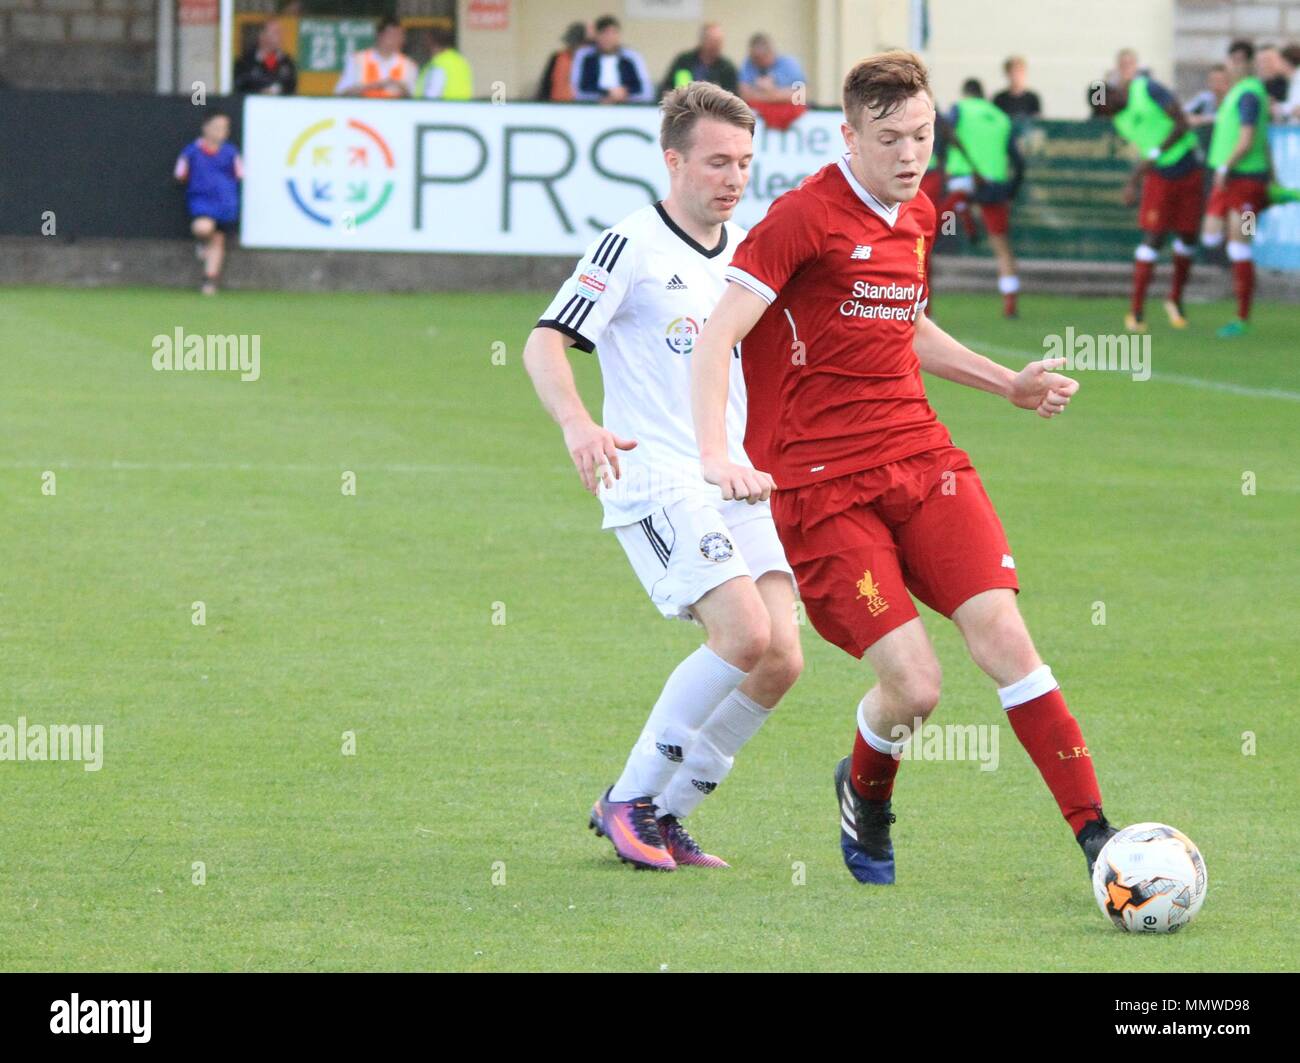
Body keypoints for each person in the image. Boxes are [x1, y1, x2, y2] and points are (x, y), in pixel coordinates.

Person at [690, 50, 1116, 887]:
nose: (911, 154)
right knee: (916, 687)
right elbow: (716, 339)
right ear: (849, 136)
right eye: (890, 139)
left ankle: (1099, 835)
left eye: (922, 134)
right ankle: (866, 785)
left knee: (1005, 637)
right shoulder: (801, 219)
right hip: (819, 490)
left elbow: (908, 326)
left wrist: (1009, 385)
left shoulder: (917, 211)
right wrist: (717, 452)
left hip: (923, 460)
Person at [522, 82, 803, 872]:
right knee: (743, 633)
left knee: (782, 655)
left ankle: (670, 812)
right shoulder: (630, 245)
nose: (733, 177)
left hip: (731, 476)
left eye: (745, 162)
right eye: (717, 161)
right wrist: (579, 424)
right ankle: (630, 796)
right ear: (673, 159)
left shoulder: (748, 254)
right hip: (655, 474)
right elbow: (544, 341)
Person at [1102, 48, 1205, 331]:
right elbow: (1148, 150)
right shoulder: (1118, 119)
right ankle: (1136, 311)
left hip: (1187, 167)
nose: (1109, 111)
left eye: (1108, 103)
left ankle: (1175, 298)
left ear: (1115, 91)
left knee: (1187, 236)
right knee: (1154, 236)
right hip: (1160, 176)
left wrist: (1142, 169)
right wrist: (1136, 180)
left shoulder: (1146, 88)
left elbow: (1181, 123)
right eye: (1105, 111)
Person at [1201, 39, 1272, 337]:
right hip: (1229, 181)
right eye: (1233, 60)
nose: (1235, 65)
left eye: (1241, 60)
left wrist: (1225, 166)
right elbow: (1263, 141)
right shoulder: (1237, 94)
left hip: (1246, 181)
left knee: (1239, 243)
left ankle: (1242, 315)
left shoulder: (1249, 96)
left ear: (1248, 63)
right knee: (1210, 236)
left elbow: (1247, 138)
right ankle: (1244, 286)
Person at [939, 78, 1025, 317]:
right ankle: (1010, 303)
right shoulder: (1001, 117)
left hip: (964, 177)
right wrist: (1011, 191)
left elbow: (946, 132)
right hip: (994, 185)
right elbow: (1018, 161)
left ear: (965, 94)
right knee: (1001, 246)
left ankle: (965, 216)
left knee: (939, 219)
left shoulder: (960, 108)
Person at [174, 112, 242, 297]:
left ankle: (210, 280)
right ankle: (202, 244)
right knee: (204, 228)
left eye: (225, 128)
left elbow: (239, 174)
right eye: (216, 127)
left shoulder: (231, 152)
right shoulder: (192, 151)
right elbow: (180, 174)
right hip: (202, 202)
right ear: (206, 128)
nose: (221, 131)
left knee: (219, 240)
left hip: (225, 204)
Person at [572, 15, 654, 104]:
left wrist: (624, 95)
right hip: (593, 107)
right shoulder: (585, 57)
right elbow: (577, 90)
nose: (609, 38)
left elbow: (646, 92)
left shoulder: (631, 57)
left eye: (613, 33)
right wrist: (606, 94)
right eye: (605, 33)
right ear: (596, 35)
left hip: (628, 107)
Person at [334, 17, 416, 98]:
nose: (396, 40)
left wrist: (403, 89)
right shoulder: (357, 61)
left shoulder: (409, 66)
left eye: (399, 36)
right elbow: (341, 93)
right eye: (391, 35)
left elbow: (416, 99)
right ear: (379, 36)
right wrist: (370, 87)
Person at [661, 22, 738, 96]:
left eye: (719, 42)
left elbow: (733, 95)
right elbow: (667, 87)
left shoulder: (727, 68)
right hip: (682, 105)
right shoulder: (683, 61)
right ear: (702, 40)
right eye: (712, 41)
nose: (716, 46)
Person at [232, 17, 297, 96]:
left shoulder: (287, 62)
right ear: (262, 35)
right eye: (275, 32)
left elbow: (291, 89)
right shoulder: (245, 62)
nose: (280, 37)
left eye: (280, 33)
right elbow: (238, 88)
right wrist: (259, 92)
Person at [738, 32, 805, 103]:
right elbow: (744, 95)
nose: (759, 62)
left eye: (763, 56)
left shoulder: (789, 64)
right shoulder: (749, 64)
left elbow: (801, 95)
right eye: (756, 58)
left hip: (790, 111)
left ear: (771, 52)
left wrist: (771, 92)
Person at [417, 26, 473, 99]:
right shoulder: (459, 61)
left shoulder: (439, 64)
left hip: (441, 109)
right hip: (463, 108)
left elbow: (432, 94)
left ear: (430, 41)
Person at [537, 22, 587, 102]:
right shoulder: (557, 58)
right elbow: (545, 86)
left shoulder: (588, 62)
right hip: (556, 105)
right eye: (571, 43)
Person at [992, 55, 1042, 120]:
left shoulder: (1032, 98)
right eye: (1013, 72)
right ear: (1007, 74)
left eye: (1019, 71)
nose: (1016, 76)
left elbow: (1037, 121)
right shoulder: (999, 98)